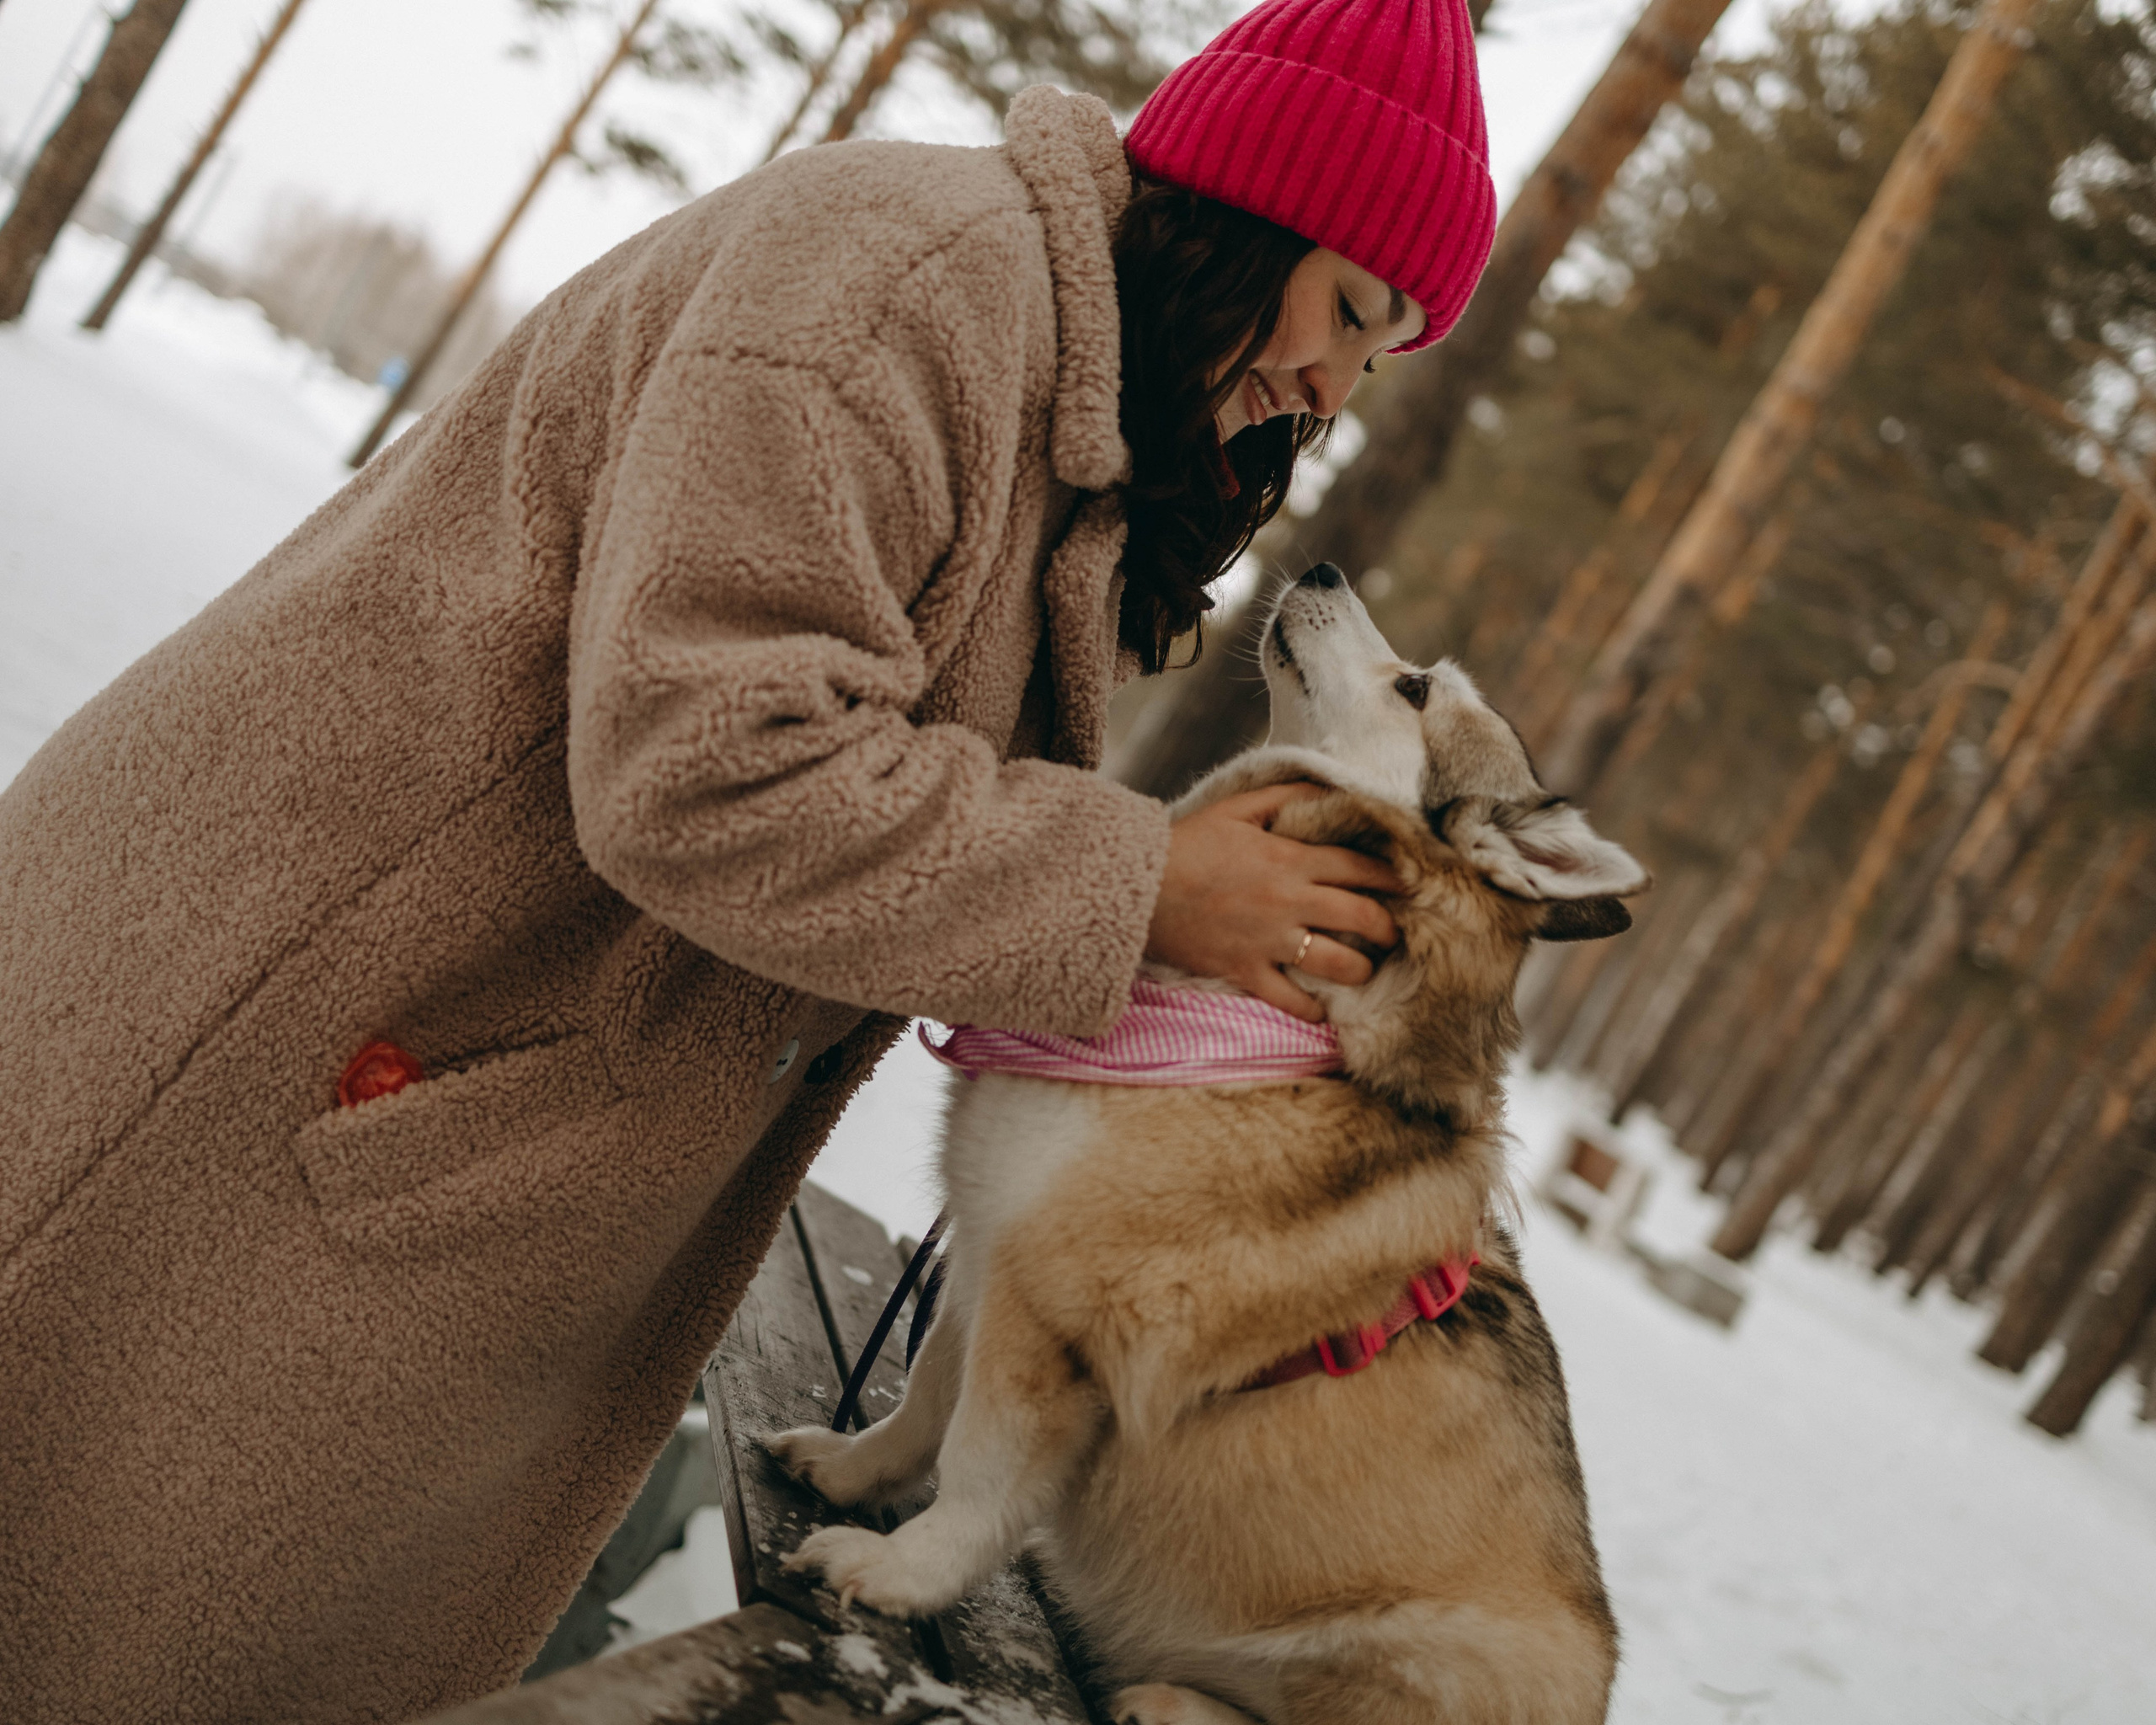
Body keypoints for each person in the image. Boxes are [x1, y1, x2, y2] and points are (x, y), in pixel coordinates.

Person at [0, 1, 1494, 1718]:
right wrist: (1141, 882)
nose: (1334, 384)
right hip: (286, 1048)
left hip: (431, 1092)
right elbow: (705, 765)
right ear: (1246, 202)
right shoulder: (905, 285)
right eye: (1352, 311)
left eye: (1380, 359)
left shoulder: (1051, 391)